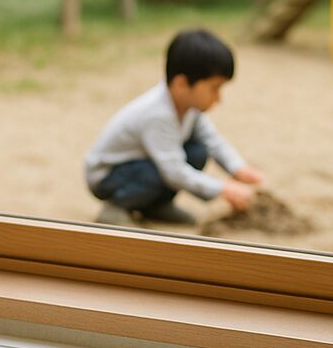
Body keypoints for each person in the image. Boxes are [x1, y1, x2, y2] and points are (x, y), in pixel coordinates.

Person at [85, 28, 266, 225]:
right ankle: (117, 206)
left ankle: (155, 206)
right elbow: (174, 171)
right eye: (214, 88)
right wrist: (223, 189)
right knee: (156, 172)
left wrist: (237, 168)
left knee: (197, 152)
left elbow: (212, 140)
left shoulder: (189, 107)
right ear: (181, 83)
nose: (218, 98)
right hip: (108, 176)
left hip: (144, 163)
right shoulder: (158, 114)